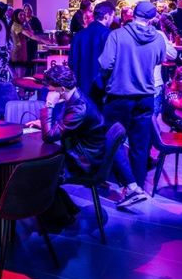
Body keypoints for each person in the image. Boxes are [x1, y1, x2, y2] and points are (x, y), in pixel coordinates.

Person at [34, 64, 148, 208]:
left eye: (50, 89)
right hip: (88, 152)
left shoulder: (78, 108)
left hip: (83, 162)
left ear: (61, 90)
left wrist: (49, 105)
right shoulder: (76, 97)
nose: (48, 92)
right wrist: (46, 123)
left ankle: (56, 216)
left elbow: (49, 137)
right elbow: (66, 124)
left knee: (40, 171)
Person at [98, 1, 174, 187]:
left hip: (119, 96)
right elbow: (160, 60)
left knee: (112, 140)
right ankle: (137, 186)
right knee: (140, 145)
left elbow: (105, 64)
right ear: (151, 18)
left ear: (133, 15)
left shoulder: (117, 35)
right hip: (145, 97)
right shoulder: (158, 38)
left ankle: (117, 182)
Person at [69, 0, 114, 106]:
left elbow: (71, 63)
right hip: (101, 89)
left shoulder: (78, 36)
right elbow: (111, 64)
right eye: (112, 16)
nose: (113, 20)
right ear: (106, 16)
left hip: (81, 88)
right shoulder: (109, 35)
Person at [9, 9, 40, 78]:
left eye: (24, 14)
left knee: (19, 76)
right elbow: (31, 35)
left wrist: (26, 21)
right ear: (15, 16)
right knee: (19, 78)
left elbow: (31, 32)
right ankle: (19, 89)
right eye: (21, 15)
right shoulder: (16, 26)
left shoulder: (20, 25)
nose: (23, 16)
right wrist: (44, 41)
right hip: (18, 53)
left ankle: (19, 88)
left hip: (21, 53)